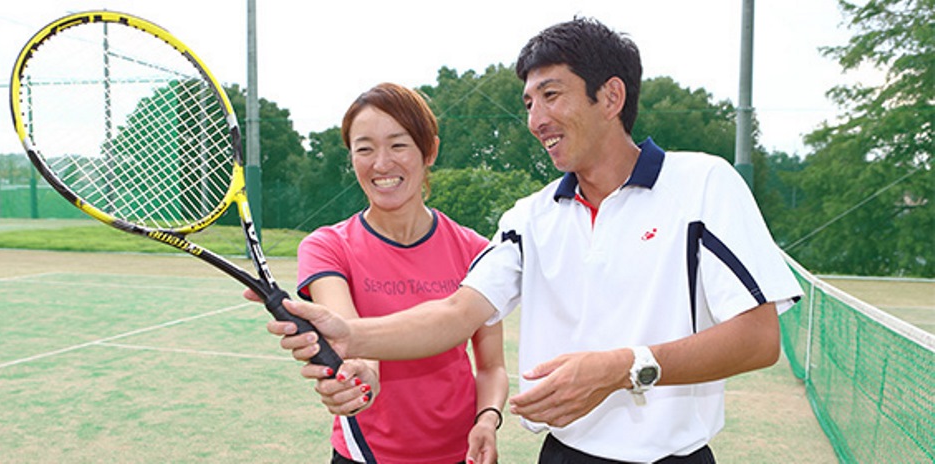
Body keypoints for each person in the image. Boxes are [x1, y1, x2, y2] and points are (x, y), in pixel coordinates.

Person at [261, 17, 802, 464]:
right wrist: (350, 335)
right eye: (527, 103)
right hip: (560, 453)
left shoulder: (704, 183)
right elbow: (455, 315)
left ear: (610, 96)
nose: (536, 120)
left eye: (551, 95)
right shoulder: (529, 217)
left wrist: (621, 368)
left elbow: (758, 339)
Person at [282, 82, 508, 464]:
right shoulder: (326, 247)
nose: (381, 163)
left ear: (430, 150)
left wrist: (487, 419)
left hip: (461, 455)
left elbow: (491, 366)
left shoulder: (476, 250)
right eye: (365, 148)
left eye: (398, 145)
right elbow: (347, 333)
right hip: (365, 456)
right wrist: (361, 375)